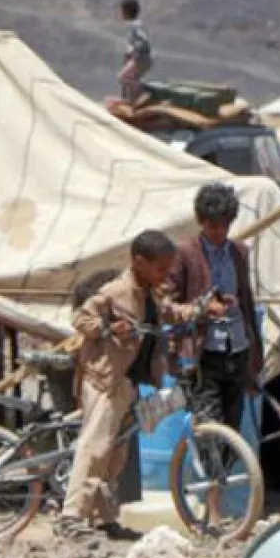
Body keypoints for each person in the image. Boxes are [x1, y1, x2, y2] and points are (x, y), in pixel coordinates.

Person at [60, 230, 230, 538]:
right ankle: (71, 516)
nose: (164, 275)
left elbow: (170, 313)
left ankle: (104, 519)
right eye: (160, 268)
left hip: (131, 381)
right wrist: (109, 328)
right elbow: (80, 319)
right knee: (95, 447)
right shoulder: (117, 291)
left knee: (117, 453)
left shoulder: (150, 293)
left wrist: (203, 310)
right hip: (107, 380)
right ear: (139, 261)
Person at [170, 183, 264, 432]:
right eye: (213, 225)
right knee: (209, 429)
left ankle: (220, 471)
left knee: (232, 428)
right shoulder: (185, 254)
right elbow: (167, 303)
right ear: (202, 221)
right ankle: (211, 471)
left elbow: (247, 302)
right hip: (204, 353)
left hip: (237, 349)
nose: (219, 232)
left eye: (225, 225)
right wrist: (201, 309)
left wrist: (255, 356)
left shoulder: (239, 253)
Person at [118, 0, 153, 106]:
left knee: (123, 77)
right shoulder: (135, 25)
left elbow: (143, 41)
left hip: (141, 58)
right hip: (142, 59)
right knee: (131, 79)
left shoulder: (135, 26)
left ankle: (142, 93)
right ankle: (131, 101)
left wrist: (134, 51)